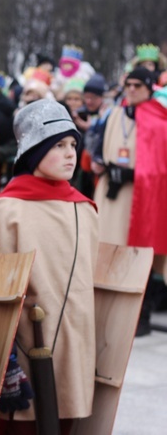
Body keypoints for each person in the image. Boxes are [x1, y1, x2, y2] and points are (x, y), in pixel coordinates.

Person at [0, 99, 98, 434]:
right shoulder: (5, 211)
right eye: (58, 145)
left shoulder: (84, 210)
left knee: (65, 418)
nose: (70, 154)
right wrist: (6, 366)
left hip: (74, 346)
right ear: (34, 151)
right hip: (24, 348)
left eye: (73, 145)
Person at [91, 66, 167, 336]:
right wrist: (101, 163)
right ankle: (106, 312)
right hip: (113, 194)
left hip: (138, 197)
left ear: (149, 88)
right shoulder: (115, 115)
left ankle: (139, 317)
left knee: (137, 254)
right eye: (129, 84)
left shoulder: (159, 121)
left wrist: (133, 173)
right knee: (108, 249)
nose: (132, 90)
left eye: (138, 85)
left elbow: (160, 168)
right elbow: (99, 146)